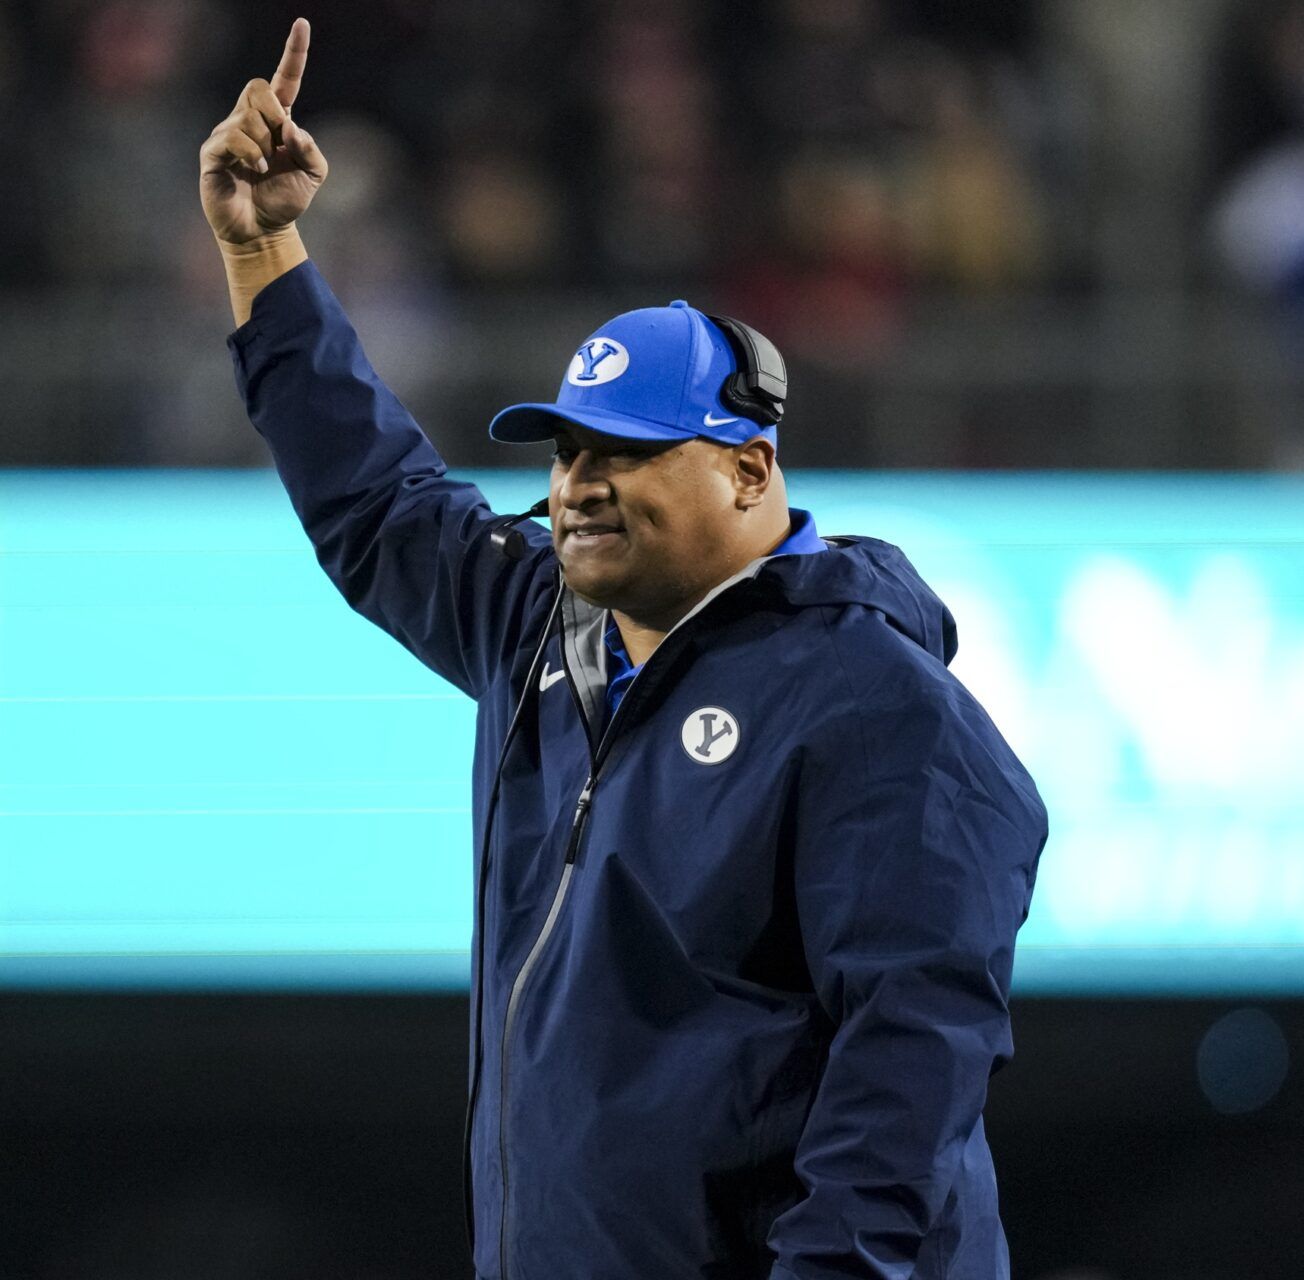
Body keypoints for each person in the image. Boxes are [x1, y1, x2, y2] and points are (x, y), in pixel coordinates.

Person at [198, 20, 1047, 1280]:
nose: (579, 484)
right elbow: (377, 501)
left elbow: (909, 1070)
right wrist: (264, 250)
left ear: (749, 465)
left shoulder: (874, 702)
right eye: (566, 450)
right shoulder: (541, 623)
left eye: (629, 448)